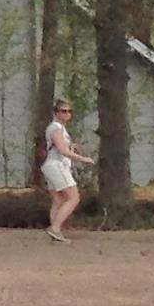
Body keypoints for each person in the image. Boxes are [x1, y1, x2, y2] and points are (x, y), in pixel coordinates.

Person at [40, 99, 95, 242]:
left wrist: (72, 146)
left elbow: (62, 146)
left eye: (69, 111)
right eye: (63, 111)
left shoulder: (60, 129)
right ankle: (55, 228)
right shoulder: (55, 128)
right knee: (73, 198)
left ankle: (55, 232)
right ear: (56, 113)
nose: (67, 114)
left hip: (52, 166)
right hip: (56, 166)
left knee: (59, 200)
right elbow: (62, 150)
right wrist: (83, 159)